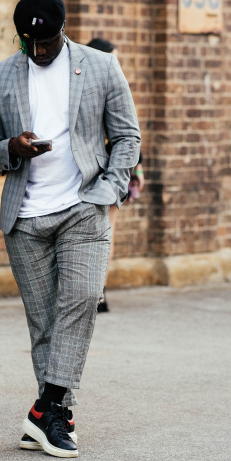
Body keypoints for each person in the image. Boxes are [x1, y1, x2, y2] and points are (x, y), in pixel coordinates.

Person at [0, 0, 141, 458]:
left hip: (83, 205)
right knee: (44, 322)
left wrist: (110, 189)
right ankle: (55, 418)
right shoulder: (2, 76)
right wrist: (11, 147)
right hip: (25, 216)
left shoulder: (100, 66)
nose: (39, 49)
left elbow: (127, 135)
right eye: (29, 42)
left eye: (46, 41)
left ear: (62, 31)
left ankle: (44, 408)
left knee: (83, 299)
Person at [85, 38, 145, 313]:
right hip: (96, 172)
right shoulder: (97, 89)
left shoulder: (102, 87)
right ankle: (96, 292)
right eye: (113, 58)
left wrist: (137, 168)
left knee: (106, 232)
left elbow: (129, 133)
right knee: (101, 234)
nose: (116, 64)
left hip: (112, 174)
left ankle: (99, 292)